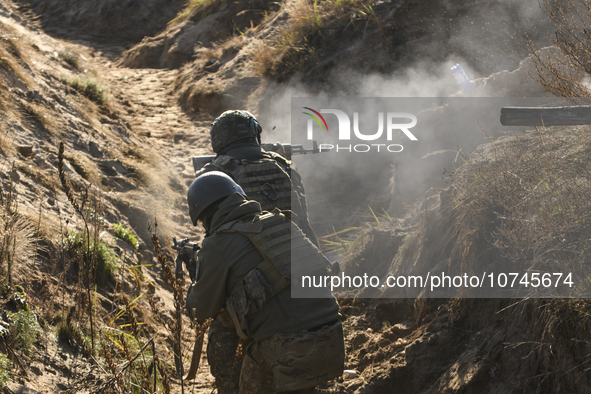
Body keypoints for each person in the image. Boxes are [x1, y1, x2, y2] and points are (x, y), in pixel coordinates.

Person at [194, 110, 321, 393]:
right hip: (306, 270)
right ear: (255, 133)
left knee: (222, 327)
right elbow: (305, 222)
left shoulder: (216, 172)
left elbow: (215, 238)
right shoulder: (284, 166)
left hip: (256, 283)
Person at [184, 171, 344, 394]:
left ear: (207, 216)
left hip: (289, 351)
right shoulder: (280, 221)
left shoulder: (216, 245)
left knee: (221, 323)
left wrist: (196, 279)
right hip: (333, 338)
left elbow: (199, 311)